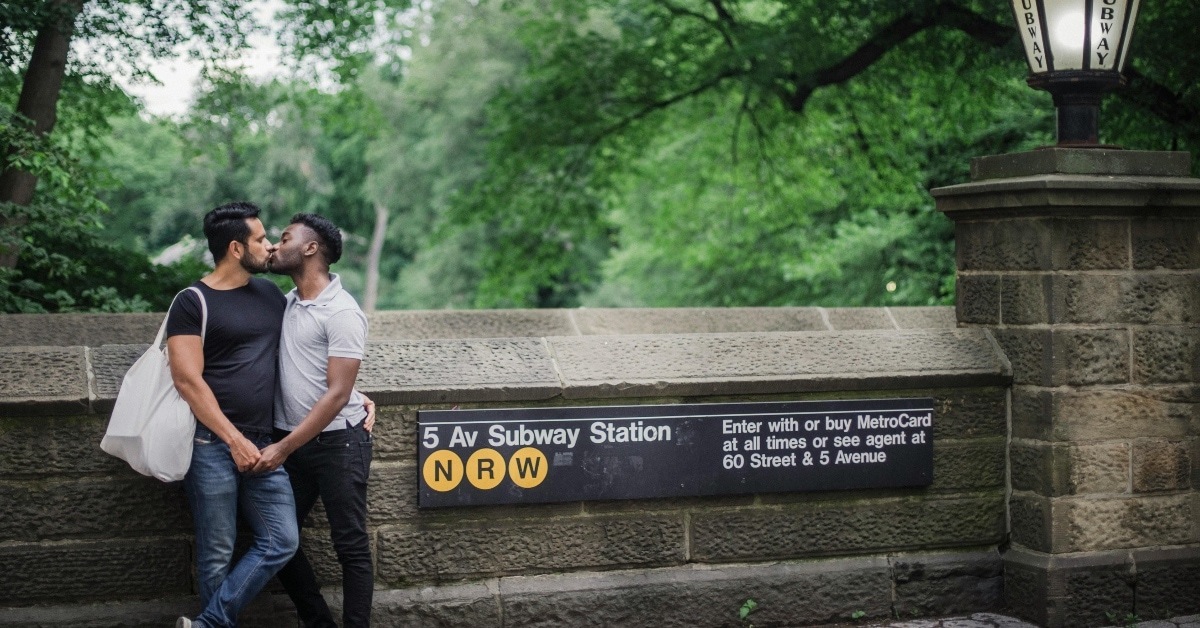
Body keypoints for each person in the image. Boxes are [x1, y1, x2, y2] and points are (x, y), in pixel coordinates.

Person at [166, 202, 299, 628]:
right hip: (211, 444)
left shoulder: (271, 296)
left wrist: (352, 394)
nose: (270, 245)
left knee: (282, 539)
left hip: (264, 444)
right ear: (236, 248)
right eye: (260, 239)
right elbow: (187, 380)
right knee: (217, 552)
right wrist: (233, 439)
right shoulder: (192, 302)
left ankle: (207, 624)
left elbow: (302, 356)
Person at [254, 213, 374, 627]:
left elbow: (338, 393)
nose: (274, 245)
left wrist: (283, 448)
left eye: (284, 238)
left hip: (338, 444)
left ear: (310, 248)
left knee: (350, 545)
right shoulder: (286, 302)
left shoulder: (342, 311)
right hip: (292, 443)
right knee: (277, 538)